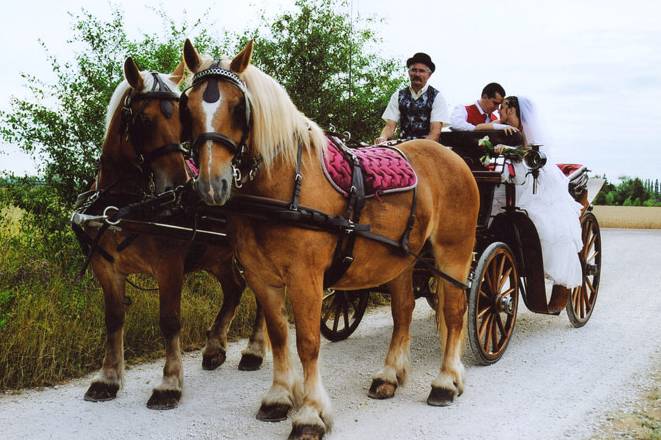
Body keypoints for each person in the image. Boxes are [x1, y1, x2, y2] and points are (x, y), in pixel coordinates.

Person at [497, 96, 584, 311]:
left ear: (512, 109)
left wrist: (507, 151)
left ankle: (557, 282)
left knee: (545, 222)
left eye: (503, 108)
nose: (500, 112)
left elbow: (532, 152)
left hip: (531, 174)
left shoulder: (527, 130)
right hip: (506, 172)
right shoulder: (501, 128)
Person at [375, 52, 449, 144]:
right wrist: (383, 137)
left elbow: (435, 133)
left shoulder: (437, 97)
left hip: (428, 147)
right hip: (403, 146)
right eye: (414, 70)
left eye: (422, 71)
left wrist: (418, 147)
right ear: (409, 72)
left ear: (429, 75)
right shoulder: (398, 95)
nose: (417, 74)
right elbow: (390, 126)